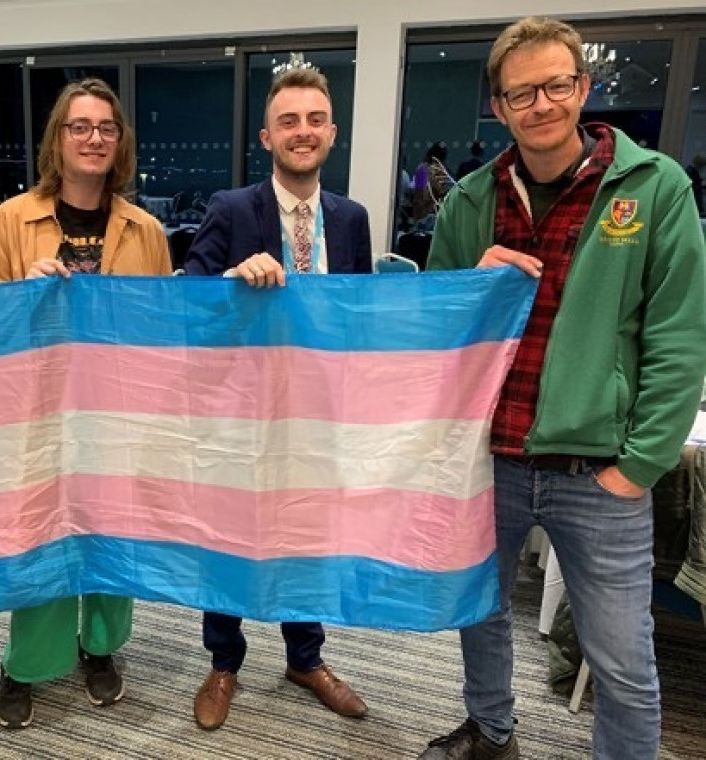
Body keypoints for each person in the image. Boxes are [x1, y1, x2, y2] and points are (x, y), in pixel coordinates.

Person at [419, 17, 706, 760]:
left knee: (623, 661)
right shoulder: (470, 202)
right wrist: (465, 289)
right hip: (492, 463)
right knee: (479, 616)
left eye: (555, 85)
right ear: (499, 105)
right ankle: (491, 732)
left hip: (597, 472)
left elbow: (678, 341)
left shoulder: (653, 190)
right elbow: (435, 339)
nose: (540, 104)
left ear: (582, 88)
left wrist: (637, 466)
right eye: (522, 93)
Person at [0, 77, 171, 729]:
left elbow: (164, 327)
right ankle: (25, 662)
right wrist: (16, 295)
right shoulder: (10, 220)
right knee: (42, 538)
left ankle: (100, 647)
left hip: (117, 415)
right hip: (39, 415)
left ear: (120, 142)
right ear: (58, 139)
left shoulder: (146, 230)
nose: (93, 138)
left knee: (113, 541)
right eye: (78, 127)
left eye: (105, 128)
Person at [183, 66, 371, 731]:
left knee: (306, 536)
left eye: (315, 119)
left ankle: (305, 657)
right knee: (228, 536)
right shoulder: (232, 210)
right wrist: (233, 279)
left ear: (332, 132)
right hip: (238, 414)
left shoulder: (351, 219)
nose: (303, 131)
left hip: (317, 414)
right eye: (289, 120)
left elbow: (360, 316)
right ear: (268, 135)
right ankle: (224, 663)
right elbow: (189, 307)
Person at [411, 142, 454, 223]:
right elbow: (444, 191)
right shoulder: (438, 170)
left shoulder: (421, 167)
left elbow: (419, 190)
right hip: (432, 211)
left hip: (419, 210)